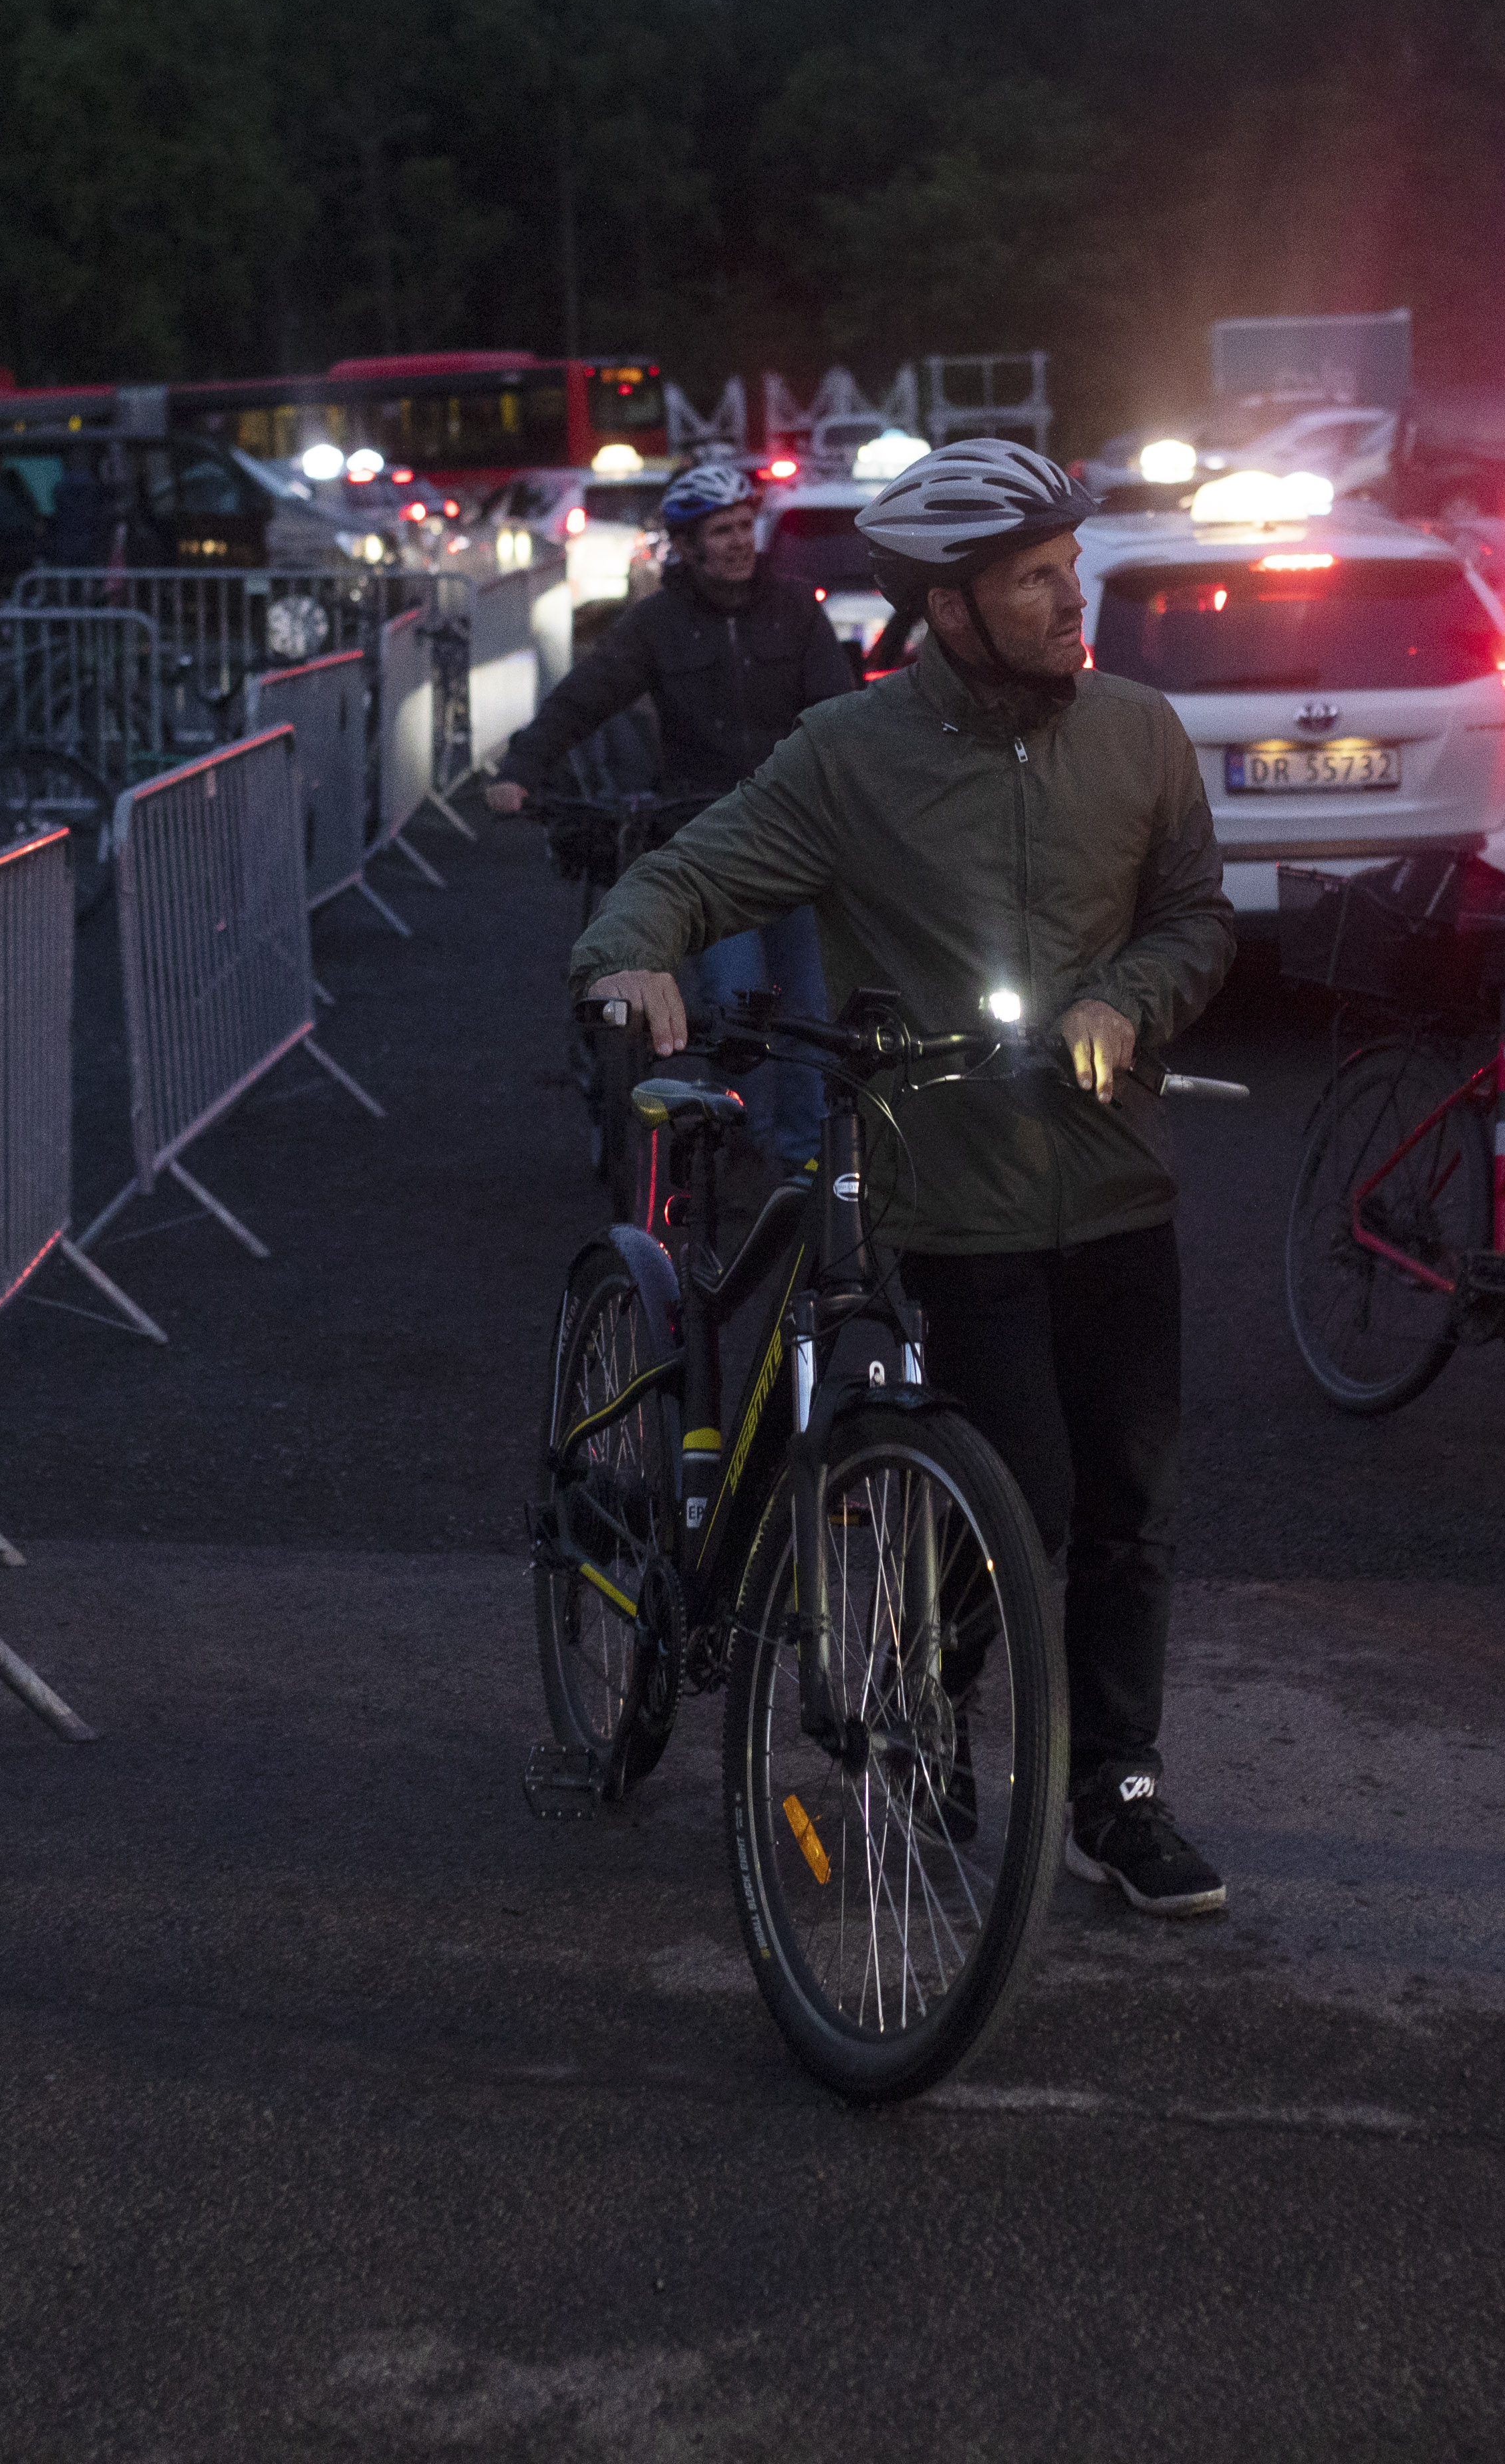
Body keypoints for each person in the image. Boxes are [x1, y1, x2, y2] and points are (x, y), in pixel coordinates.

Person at [570, 442, 1240, 1915]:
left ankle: (1118, 1793)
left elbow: (1196, 915)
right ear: (947, 605)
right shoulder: (849, 754)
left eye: (1072, 568)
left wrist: (1127, 997)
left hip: (1121, 1179)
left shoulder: (1139, 733)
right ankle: (926, 1703)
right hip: (953, 1190)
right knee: (1027, 1495)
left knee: (1134, 1497)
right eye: (1034, 579)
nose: (1075, 599)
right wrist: (631, 951)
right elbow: (691, 868)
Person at [487, 459, 860, 1162]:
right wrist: (520, 770)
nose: (739, 541)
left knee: (811, 1008)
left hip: (801, 840)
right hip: (713, 846)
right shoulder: (656, 624)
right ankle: (742, 1133)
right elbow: (583, 698)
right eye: (721, 530)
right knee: (738, 1000)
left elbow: (840, 717)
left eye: (747, 525)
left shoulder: (796, 611)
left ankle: (805, 1156)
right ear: (685, 546)